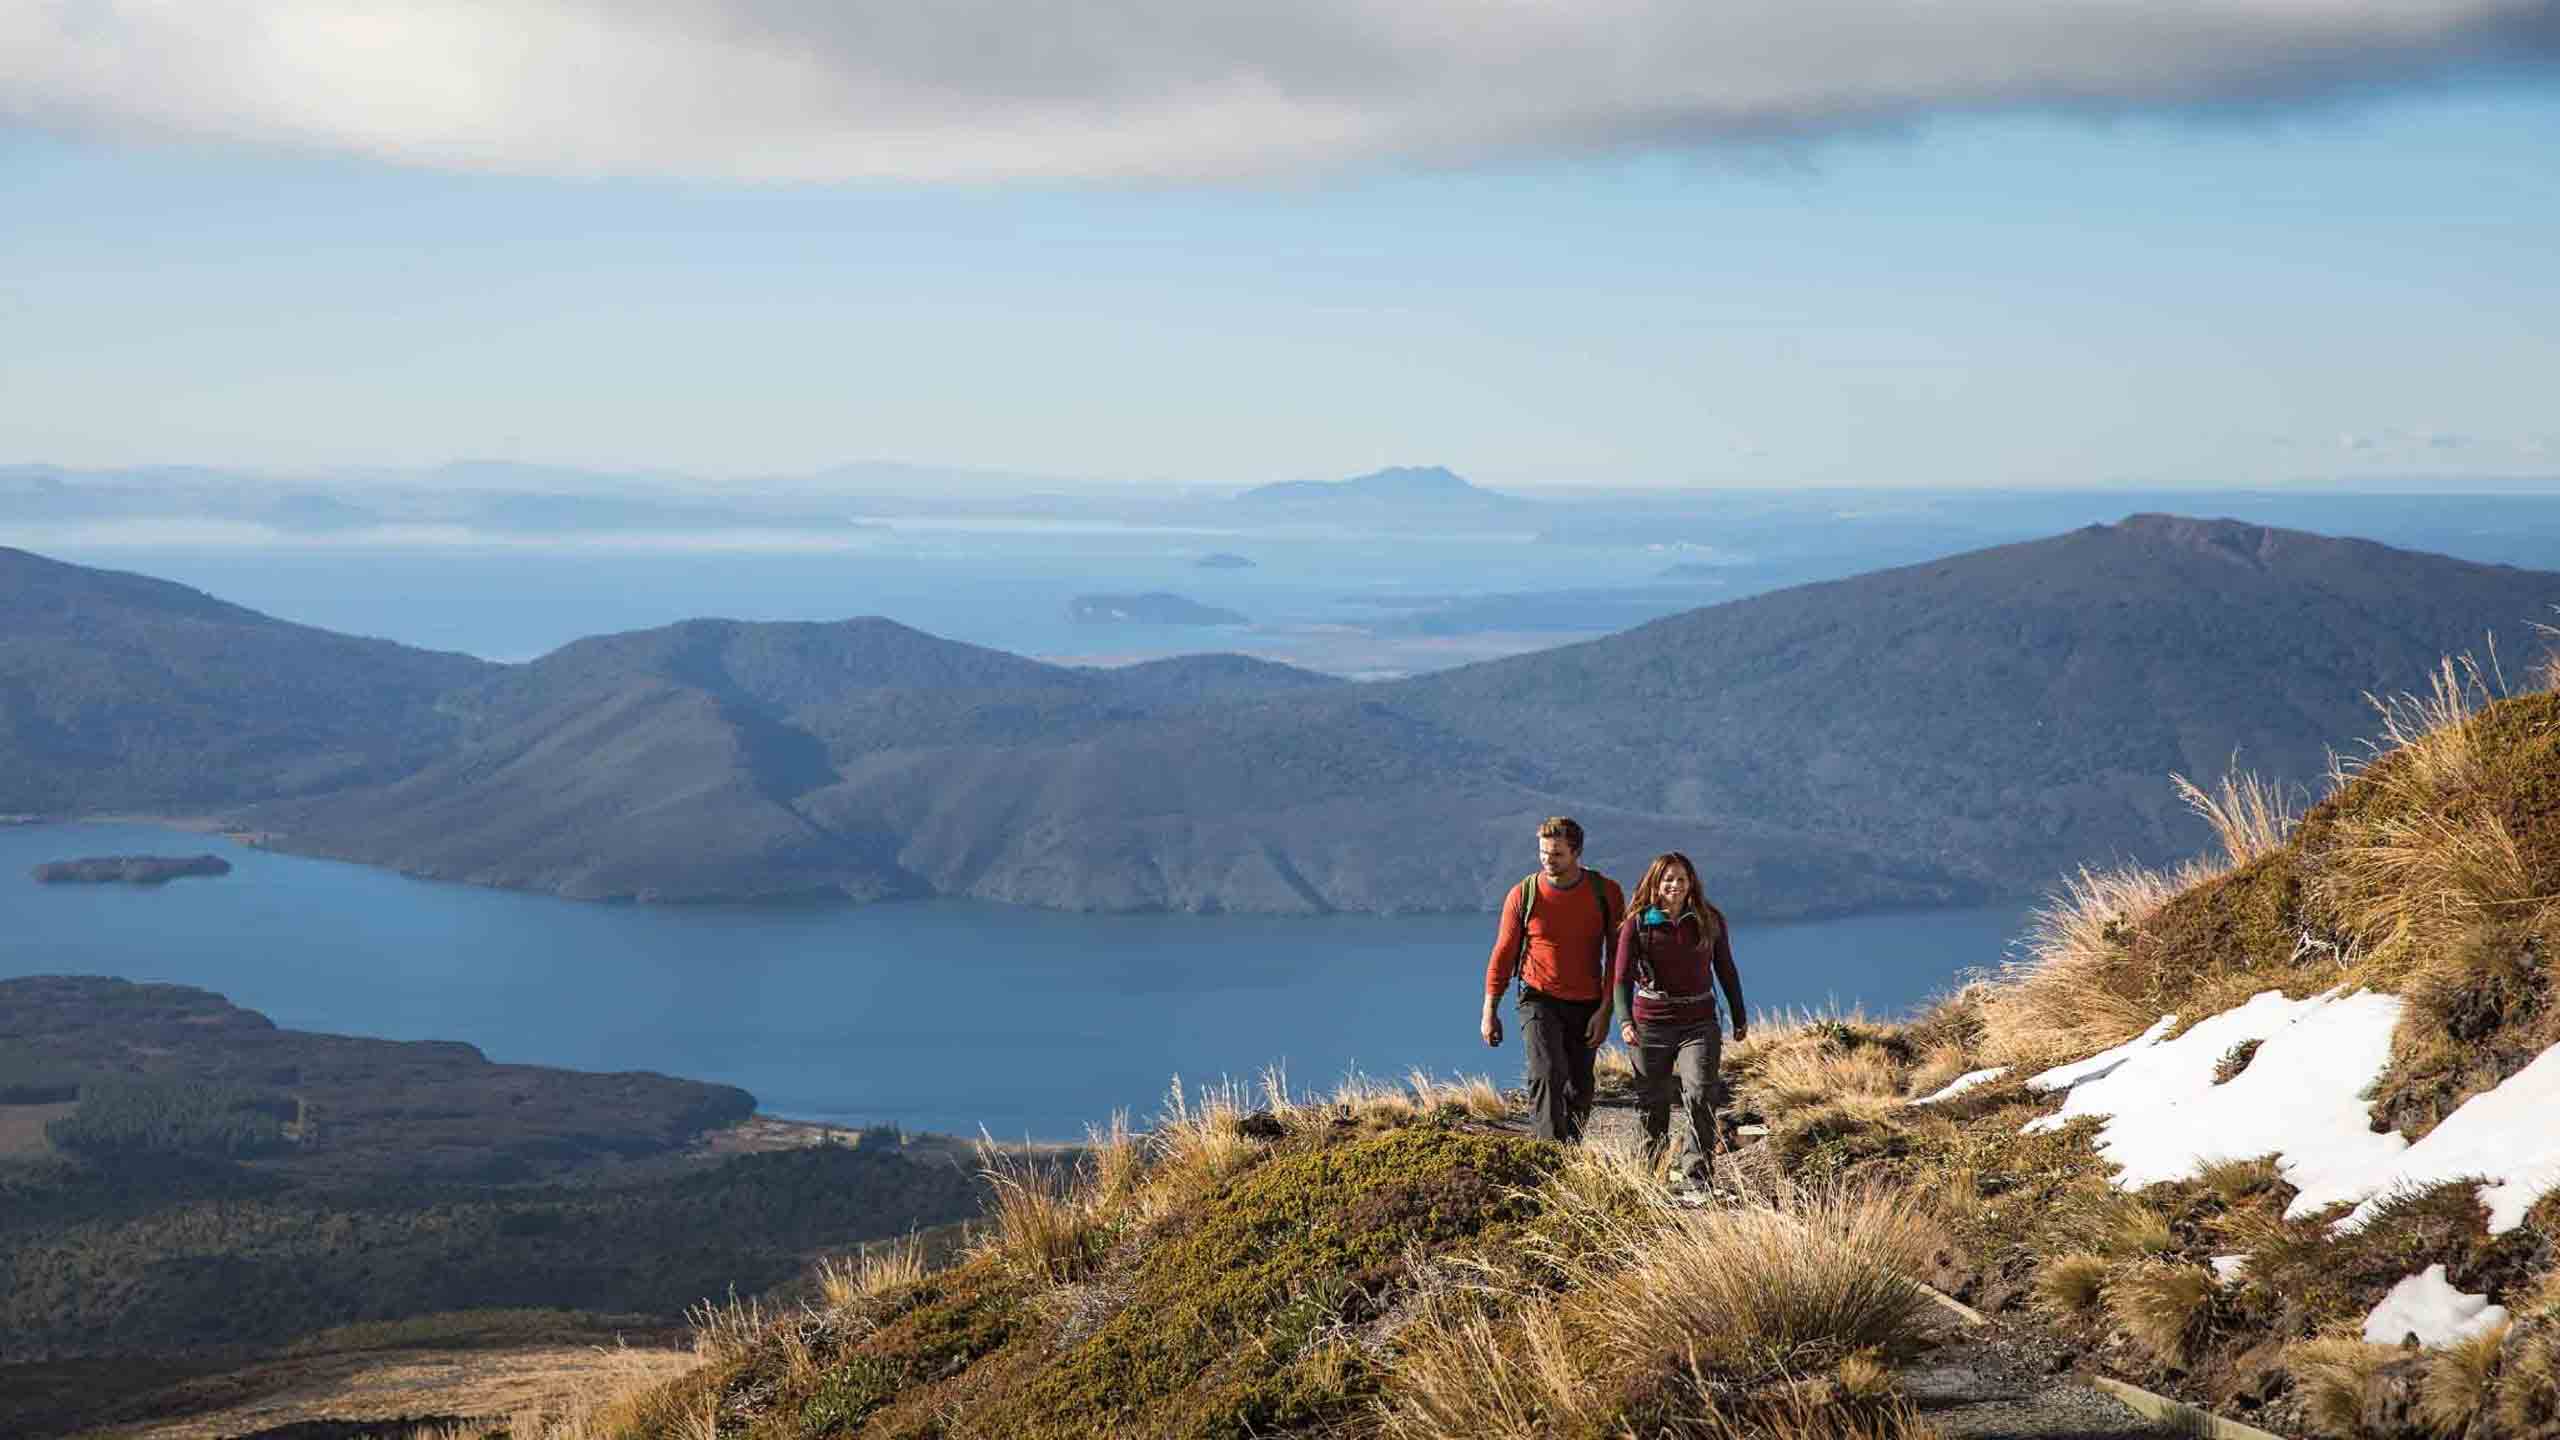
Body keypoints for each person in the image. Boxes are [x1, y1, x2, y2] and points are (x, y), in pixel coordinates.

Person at [1482, 816, 1625, 1143]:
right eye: (1543, 852)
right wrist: (1490, 1011)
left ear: (1577, 853)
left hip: (1587, 1002)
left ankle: (1571, 1155)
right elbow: (1503, 953)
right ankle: (1549, 1155)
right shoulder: (1524, 894)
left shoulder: (1606, 892)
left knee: (1580, 1087)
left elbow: (1618, 957)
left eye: (1557, 854)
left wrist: (1606, 1011)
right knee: (1547, 1073)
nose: (1548, 860)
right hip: (1538, 997)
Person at [1613, 851, 1746, 1188]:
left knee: (1700, 1094)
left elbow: (1726, 969)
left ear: (1691, 883)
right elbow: (1621, 978)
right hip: (1650, 1024)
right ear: (1655, 883)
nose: (1675, 885)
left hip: (1699, 1022)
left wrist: (1739, 1015)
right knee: (1652, 1104)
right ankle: (1648, 1177)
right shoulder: (1637, 923)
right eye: (1668, 879)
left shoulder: (1708, 920)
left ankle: (1697, 1177)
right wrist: (1625, 1021)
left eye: (1681, 879)